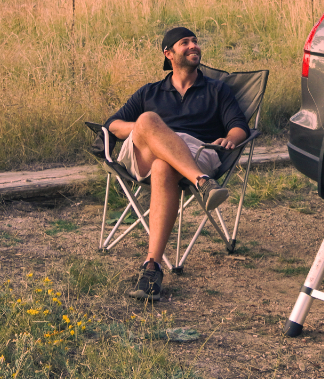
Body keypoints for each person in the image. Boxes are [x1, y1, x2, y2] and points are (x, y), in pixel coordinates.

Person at [106, 26, 249, 301]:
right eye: (185, 43)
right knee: (147, 121)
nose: (194, 46)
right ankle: (202, 182)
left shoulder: (217, 90)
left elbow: (239, 126)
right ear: (168, 54)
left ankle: (152, 267)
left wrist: (231, 138)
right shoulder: (150, 92)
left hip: (198, 151)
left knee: (164, 165)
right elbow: (112, 124)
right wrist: (145, 130)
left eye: (195, 41)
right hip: (145, 156)